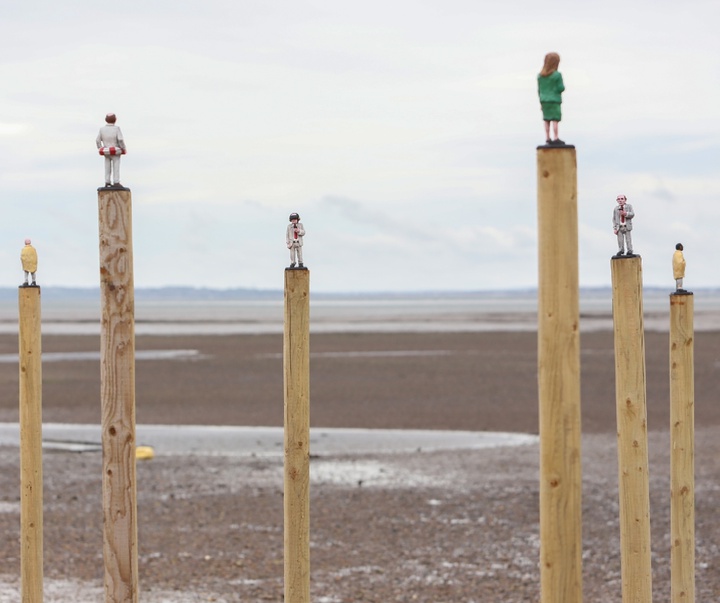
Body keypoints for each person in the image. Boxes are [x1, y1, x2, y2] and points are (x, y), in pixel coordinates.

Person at [537, 52, 565, 145]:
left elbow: (539, 90)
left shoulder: (540, 76)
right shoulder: (557, 75)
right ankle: (556, 137)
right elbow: (561, 88)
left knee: (546, 119)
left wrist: (541, 102)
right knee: (555, 120)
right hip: (554, 100)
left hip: (544, 100)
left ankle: (548, 137)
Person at [96, 113, 126, 187]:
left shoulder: (102, 129)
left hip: (106, 151)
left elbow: (97, 140)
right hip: (115, 151)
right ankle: (116, 181)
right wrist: (123, 148)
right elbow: (120, 139)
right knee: (116, 166)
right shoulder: (116, 128)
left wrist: (100, 148)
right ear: (115, 120)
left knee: (107, 166)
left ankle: (107, 181)